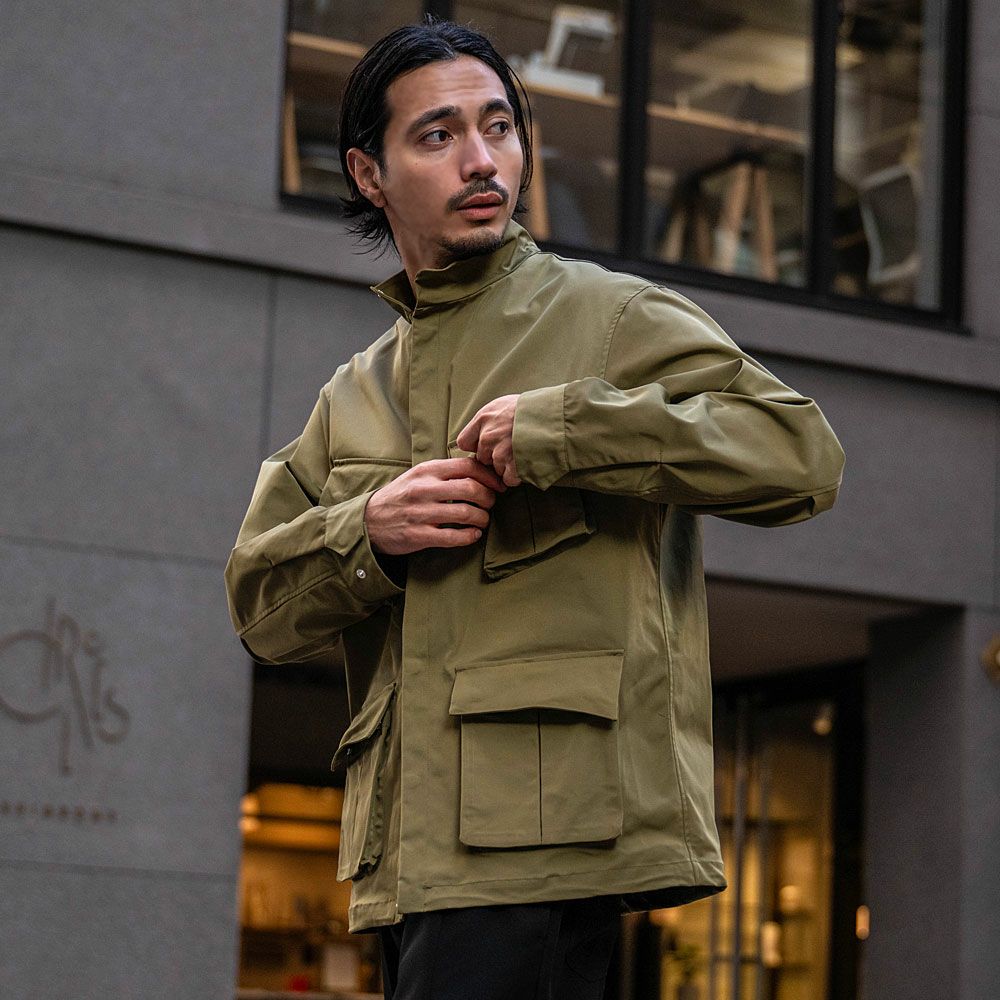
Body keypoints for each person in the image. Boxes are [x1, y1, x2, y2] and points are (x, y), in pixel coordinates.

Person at [224, 17, 845, 1000]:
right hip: (407, 857)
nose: (482, 160)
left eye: (499, 127)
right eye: (438, 135)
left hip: (550, 845)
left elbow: (800, 455)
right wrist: (368, 531)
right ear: (368, 173)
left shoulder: (608, 315)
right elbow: (257, 600)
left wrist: (570, 428)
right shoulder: (356, 392)